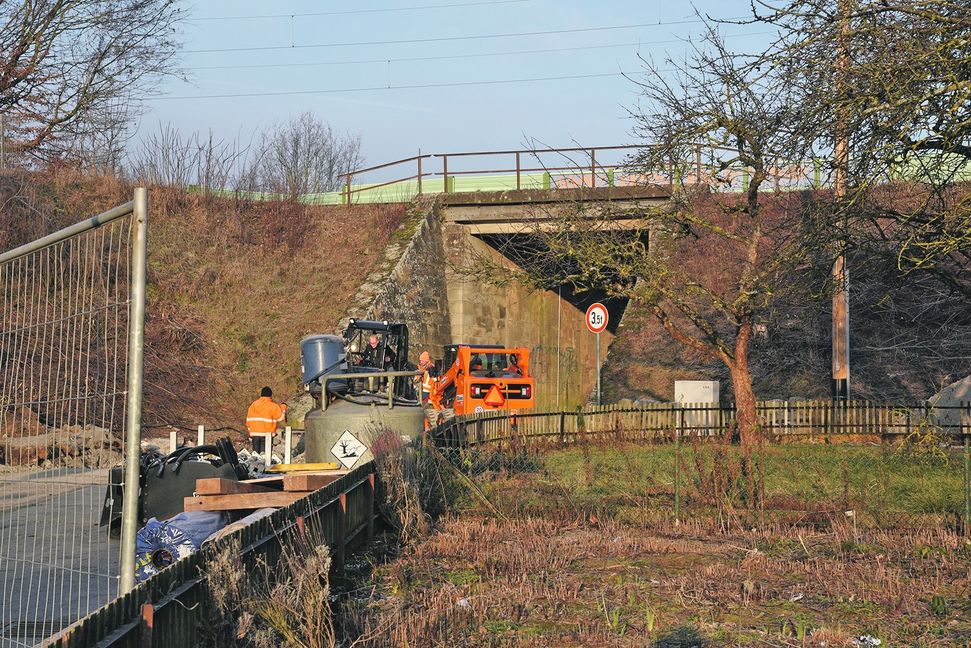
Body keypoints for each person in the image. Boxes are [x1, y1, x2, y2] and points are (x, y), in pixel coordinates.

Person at [245, 386, 287, 457]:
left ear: (261, 394)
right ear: (270, 395)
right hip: (267, 435)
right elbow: (281, 417)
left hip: (254, 435)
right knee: (265, 457)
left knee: (255, 457)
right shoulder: (273, 406)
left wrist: (251, 431)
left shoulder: (253, 405)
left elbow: (248, 421)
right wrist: (283, 408)